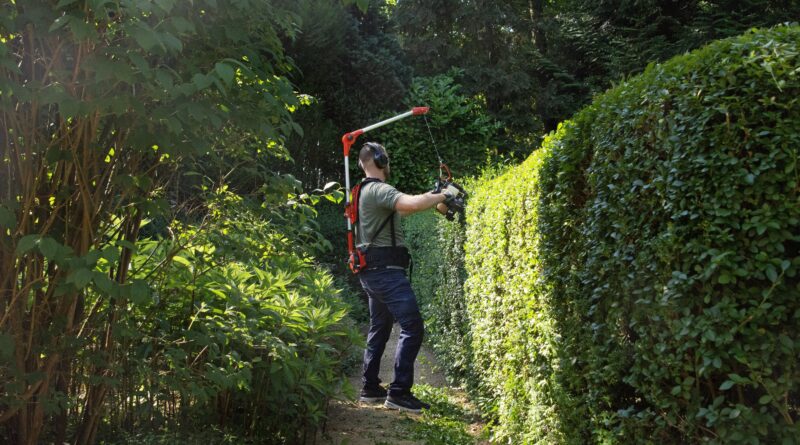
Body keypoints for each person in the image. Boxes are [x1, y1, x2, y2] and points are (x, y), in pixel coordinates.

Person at [354, 141, 460, 413]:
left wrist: (436, 196)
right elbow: (409, 204)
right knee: (413, 326)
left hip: (371, 271)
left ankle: (369, 387)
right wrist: (444, 194)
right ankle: (399, 393)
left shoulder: (361, 191)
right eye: (385, 158)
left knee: (380, 327)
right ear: (380, 160)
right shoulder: (379, 188)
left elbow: (407, 204)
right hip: (386, 273)